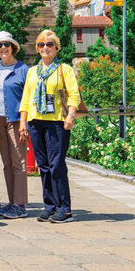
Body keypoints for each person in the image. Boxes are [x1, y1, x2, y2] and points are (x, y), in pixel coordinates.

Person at [19, 29, 81, 223]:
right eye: (41, 44)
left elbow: (74, 94)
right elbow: (26, 99)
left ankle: (65, 208)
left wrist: (70, 115)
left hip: (56, 123)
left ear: (56, 48)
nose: (45, 48)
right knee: (43, 166)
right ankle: (50, 206)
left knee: (57, 165)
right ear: (37, 48)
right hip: (36, 122)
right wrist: (23, 123)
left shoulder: (64, 69)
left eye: (49, 44)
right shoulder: (32, 71)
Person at [0, 31, 30, 219]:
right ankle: (11, 202)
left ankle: (19, 204)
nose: (3, 48)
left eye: (6, 44)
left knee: (19, 162)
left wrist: (24, 123)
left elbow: (28, 98)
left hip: (15, 119)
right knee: (6, 162)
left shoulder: (23, 70)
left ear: (13, 47)